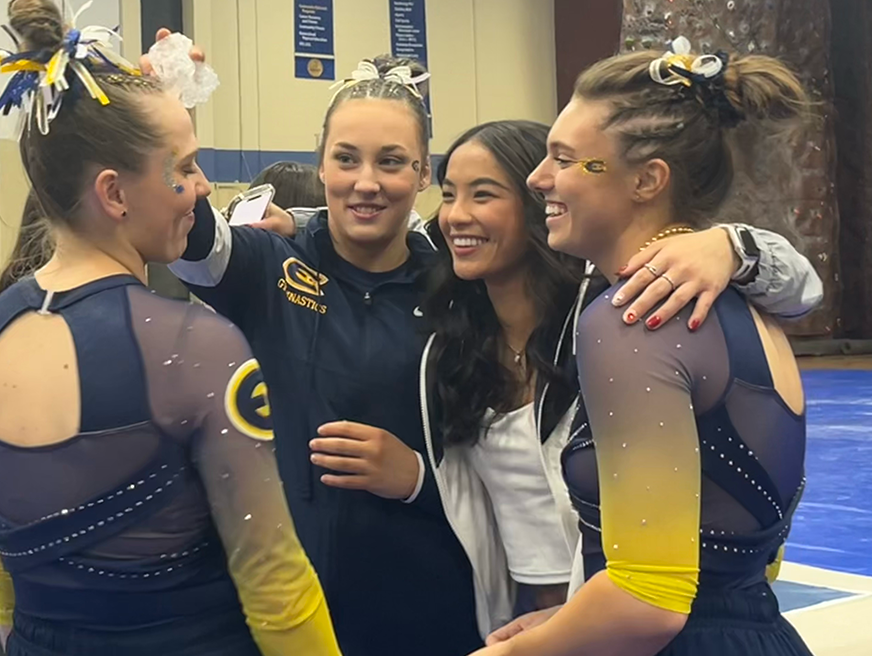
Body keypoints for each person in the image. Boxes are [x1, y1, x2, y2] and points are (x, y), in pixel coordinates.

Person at [167, 57, 816, 655]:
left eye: (393, 162)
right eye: (346, 159)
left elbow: (650, 591)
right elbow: (193, 237)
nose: (367, 182)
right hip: (461, 608)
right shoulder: (318, 271)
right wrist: (171, 120)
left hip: (485, 612)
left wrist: (733, 247)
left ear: (419, 172)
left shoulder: (569, 307)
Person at [308, 118, 820, 635]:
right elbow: (487, 505)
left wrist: (730, 246)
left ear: (540, 203)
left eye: (483, 195)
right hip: (516, 620)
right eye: (448, 195)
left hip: (626, 616)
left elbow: (802, 289)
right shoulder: (453, 338)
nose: (457, 216)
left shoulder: (609, 316)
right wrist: (417, 479)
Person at [0, 0, 340, 656]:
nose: (205, 187)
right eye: (185, 167)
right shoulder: (192, 347)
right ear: (114, 193)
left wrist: (145, 108)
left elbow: (0, 570)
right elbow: (278, 587)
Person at [476, 47, 815, 655]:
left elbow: (649, 601)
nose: (537, 178)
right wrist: (570, 622)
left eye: (566, 160)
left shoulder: (632, 319)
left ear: (646, 180)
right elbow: (717, 549)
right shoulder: (748, 299)